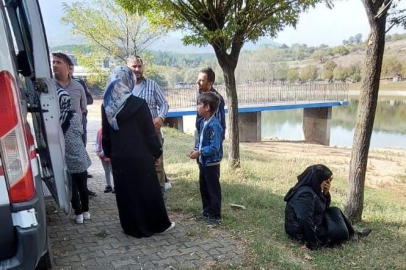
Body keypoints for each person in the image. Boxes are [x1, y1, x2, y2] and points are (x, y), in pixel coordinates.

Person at [102, 66, 175, 238]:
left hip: (119, 157)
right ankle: (157, 225)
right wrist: (156, 153)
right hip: (140, 157)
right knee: (148, 191)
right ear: (128, 81)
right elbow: (149, 133)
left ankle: (130, 227)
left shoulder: (107, 106)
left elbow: (106, 134)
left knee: (126, 193)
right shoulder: (139, 104)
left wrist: (109, 153)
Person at [284, 164, 371, 251]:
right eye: (326, 181)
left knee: (334, 210)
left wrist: (325, 193)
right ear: (317, 180)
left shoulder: (312, 190)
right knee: (342, 233)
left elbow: (324, 208)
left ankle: (353, 234)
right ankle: (348, 234)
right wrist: (311, 243)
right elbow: (304, 219)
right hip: (301, 232)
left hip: (314, 222)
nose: (328, 183)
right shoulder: (305, 194)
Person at [127, 55, 170, 199]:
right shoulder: (123, 88)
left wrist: (161, 117)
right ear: (128, 67)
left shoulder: (152, 84)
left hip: (152, 133)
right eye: (134, 66)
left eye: (139, 66)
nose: (137, 69)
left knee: (157, 165)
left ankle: (159, 196)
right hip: (133, 136)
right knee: (138, 166)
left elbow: (164, 104)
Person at [188, 92, 223, 227]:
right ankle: (206, 212)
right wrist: (196, 149)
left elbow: (214, 147)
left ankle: (215, 216)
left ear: (207, 107)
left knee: (213, 189)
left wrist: (200, 152)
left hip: (211, 164)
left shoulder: (215, 125)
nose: (197, 107)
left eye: (199, 104)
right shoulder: (203, 122)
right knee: (204, 187)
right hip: (203, 162)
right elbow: (201, 141)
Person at [57, 88, 91, 224]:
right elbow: (80, 131)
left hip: (67, 159)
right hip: (80, 157)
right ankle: (86, 212)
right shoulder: (75, 116)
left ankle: (78, 214)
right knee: (83, 186)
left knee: (73, 188)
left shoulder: (56, 121)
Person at [195, 67, 226, 141]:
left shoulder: (217, 99)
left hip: (210, 139)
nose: (198, 82)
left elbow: (220, 124)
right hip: (199, 133)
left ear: (210, 83)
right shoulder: (199, 93)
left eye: (202, 80)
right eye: (198, 79)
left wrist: (216, 142)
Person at [68, 63, 94, 146]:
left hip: (80, 116)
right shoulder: (53, 84)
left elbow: (90, 99)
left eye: (71, 69)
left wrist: (79, 102)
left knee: (81, 141)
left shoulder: (79, 83)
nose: (69, 72)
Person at [95, 126, 114, 193]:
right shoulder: (99, 131)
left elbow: (109, 144)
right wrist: (98, 151)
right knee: (106, 171)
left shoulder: (109, 132)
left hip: (108, 154)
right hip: (102, 155)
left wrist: (103, 153)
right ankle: (108, 185)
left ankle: (115, 186)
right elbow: (97, 142)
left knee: (112, 171)